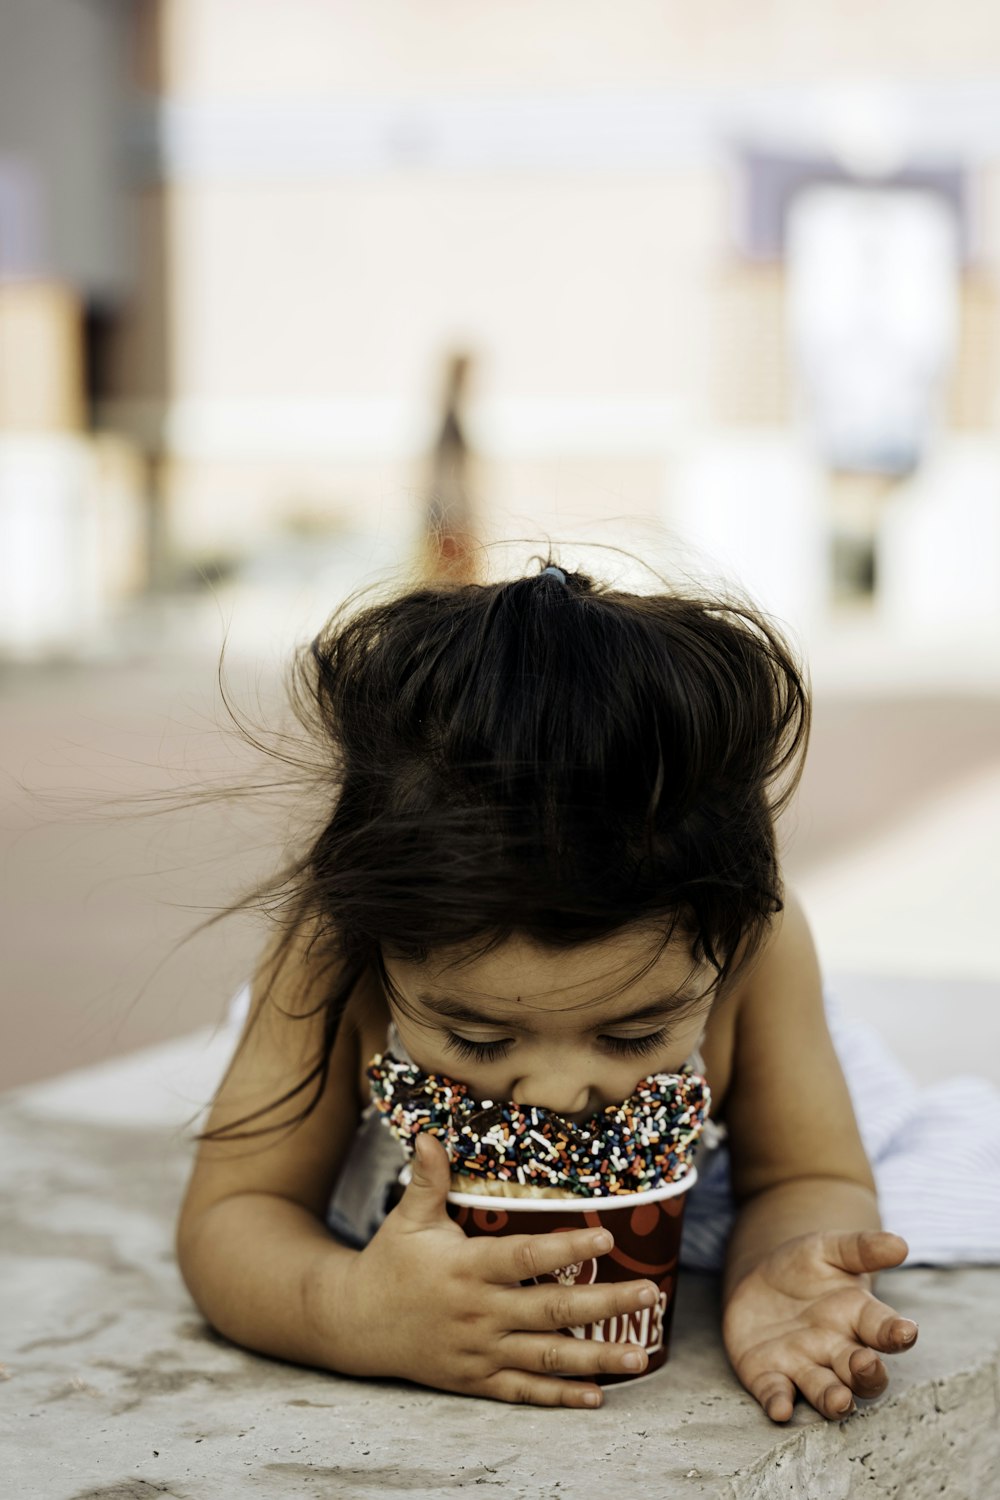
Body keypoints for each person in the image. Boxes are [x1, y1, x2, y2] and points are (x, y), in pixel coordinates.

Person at [176, 560, 919, 1420]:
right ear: (376, 942)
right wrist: (350, 1310)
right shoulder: (331, 951)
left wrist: (778, 1269)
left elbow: (808, 1171)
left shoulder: (757, 938)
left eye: (635, 1034)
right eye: (481, 1040)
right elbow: (232, 1212)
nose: (560, 1091)